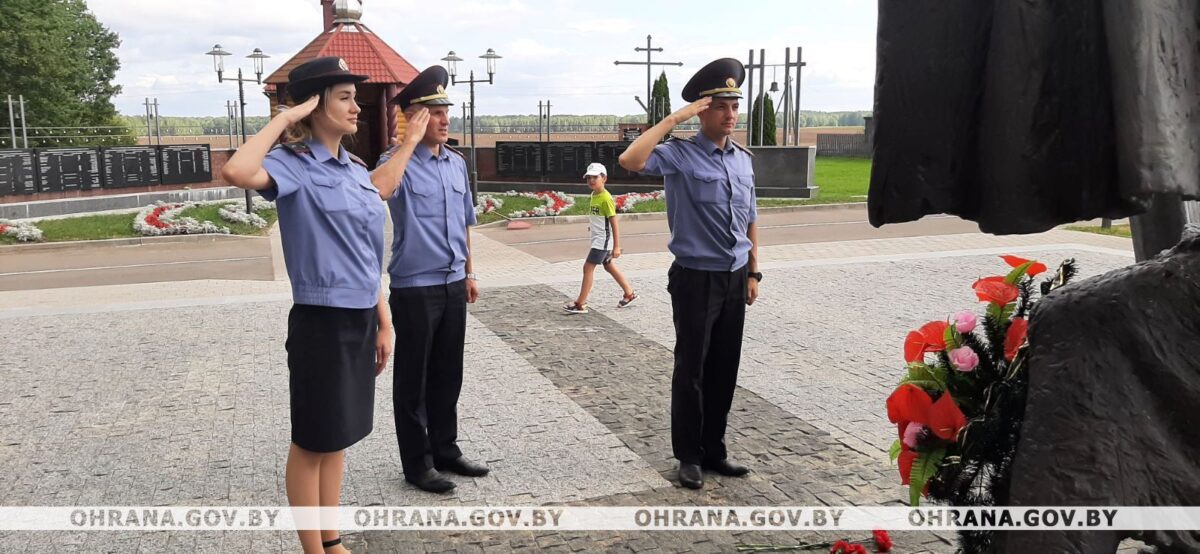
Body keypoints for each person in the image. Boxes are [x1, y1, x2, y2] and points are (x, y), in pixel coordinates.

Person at [221, 56, 390, 553]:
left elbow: (365, 255)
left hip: (360, 316)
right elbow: (236, 170)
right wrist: (284, 118)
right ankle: (311, 548)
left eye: (355, 97)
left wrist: (383, 321)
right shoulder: (292, 166)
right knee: (313, 438)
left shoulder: (356, 170)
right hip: (321, 320)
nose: (357, 106)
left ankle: (332, 539)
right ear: (314, 106)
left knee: (339, 435)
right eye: (344, 97)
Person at [618, 58, 762, 490]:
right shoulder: (679, 154)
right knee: (692, 369)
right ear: (703, 111)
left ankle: (715, 450)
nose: (730, 114)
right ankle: (689, 456)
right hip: (695, 278)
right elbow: (630, 159)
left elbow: (751, 217)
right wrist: (674, 118)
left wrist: (755, 271)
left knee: (724, 367)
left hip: (735, 276)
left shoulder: (742, 159)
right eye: (721, 106)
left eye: (734, 106)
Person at [370, 66, 487, 494]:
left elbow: (465, 223)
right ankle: (416, 464)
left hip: (454, 281)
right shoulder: (394, 163)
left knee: (447, 373)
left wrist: (470, 271)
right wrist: (409, 142)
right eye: (433, 112)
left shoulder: (455, 164)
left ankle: (445, 449)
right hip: (414, 286)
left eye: (445, 111)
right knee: (414, 380)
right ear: (413, 116)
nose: (444, 119)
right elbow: (378, 191)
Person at [563, 162, 638, 314]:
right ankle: (629, 293)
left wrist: (617, 246)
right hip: (598, 238)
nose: (591, 180)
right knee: (608, 265)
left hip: (602, 240)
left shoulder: (606, 198)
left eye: (595, 177)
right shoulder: (594, 195)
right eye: (589, 177)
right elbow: (599, 218)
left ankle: (580, 303)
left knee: (587, 267)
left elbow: (614, 222)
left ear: (604, 178)